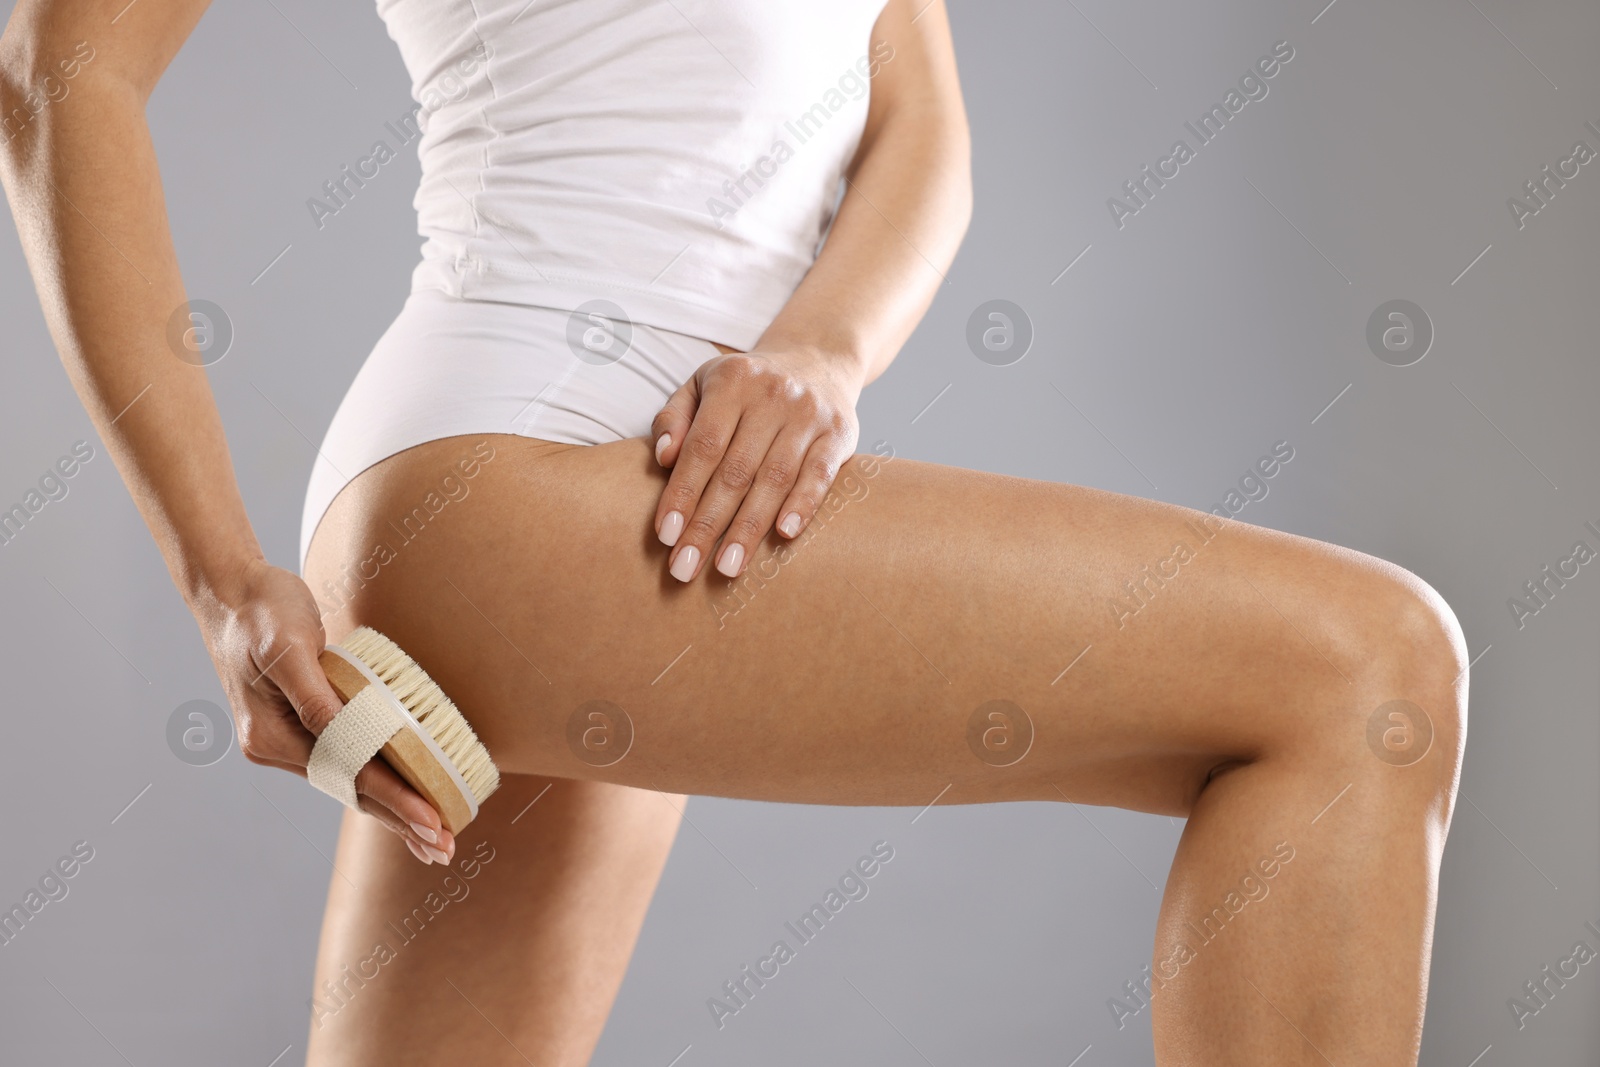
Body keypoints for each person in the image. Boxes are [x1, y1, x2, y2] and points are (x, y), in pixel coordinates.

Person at [0, 0, 1466, 1064]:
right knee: (1365, 675)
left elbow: (919, 119)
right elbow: (58, 65)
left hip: (661, 495)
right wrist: (218, 577)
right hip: (515, 481)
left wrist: (821, 352)